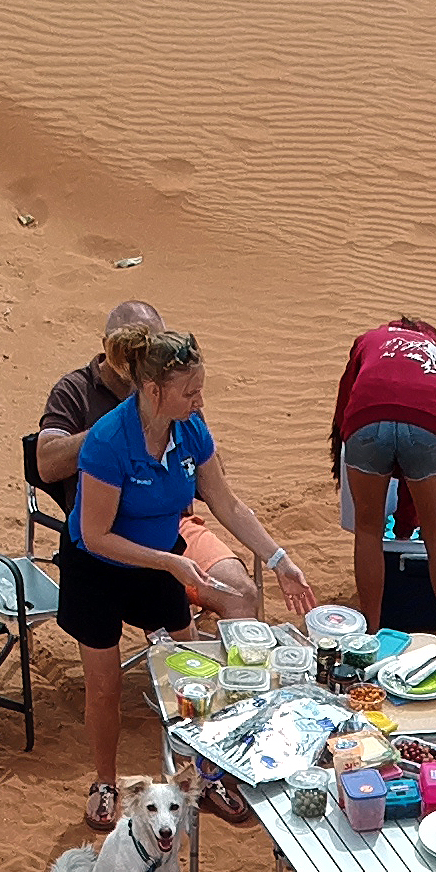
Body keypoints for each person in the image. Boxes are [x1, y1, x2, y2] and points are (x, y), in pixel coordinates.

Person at [59, 325, 316, 831]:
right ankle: (105, 783)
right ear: (154, 391)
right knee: (105, 685)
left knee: (193, 670)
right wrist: (171, 564)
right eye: (190, 390)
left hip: (158, 560)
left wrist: (279, 557)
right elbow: (95, 535)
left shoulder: (191, 429)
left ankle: (204, 772)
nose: (200, 399)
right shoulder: (110, 441)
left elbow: (226, 502)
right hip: (98, 570)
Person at [36, 301, 258, 624]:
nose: (148, 358)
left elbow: (212, 482)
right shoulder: (76, 391)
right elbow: (45, 463)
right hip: (105, 531)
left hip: (172, 526)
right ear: (110, 348)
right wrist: (123, 427)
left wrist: (168, 414)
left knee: (242, 595)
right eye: (136, 348)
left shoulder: (178, 393)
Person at [329, 316, 436, 637]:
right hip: (426, 420)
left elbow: (344, 401)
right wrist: (406, 525)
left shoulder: (368, 339)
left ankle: (371, 632)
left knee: (368, 530)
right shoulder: (435, 347)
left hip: (366, 419)